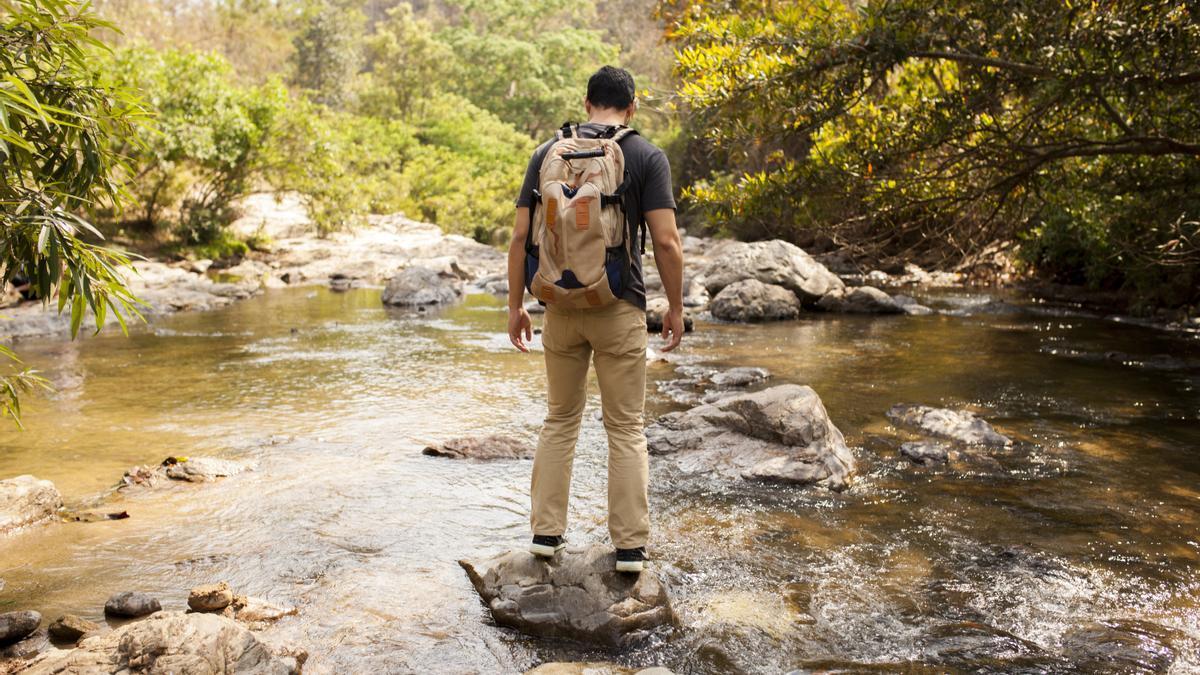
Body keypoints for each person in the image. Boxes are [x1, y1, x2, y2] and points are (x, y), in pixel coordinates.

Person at [506, 65, 685, 573]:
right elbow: (667, 242)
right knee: (625, 427)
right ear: (631, 107)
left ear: (587, 103)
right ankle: (629, 548)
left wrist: (516, 304)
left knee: (559, 420)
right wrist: (674, 305)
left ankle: (545, 534)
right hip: (619, 305)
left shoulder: (547, 154)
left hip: (558, 307)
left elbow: (520, 238)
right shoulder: (645, 155)